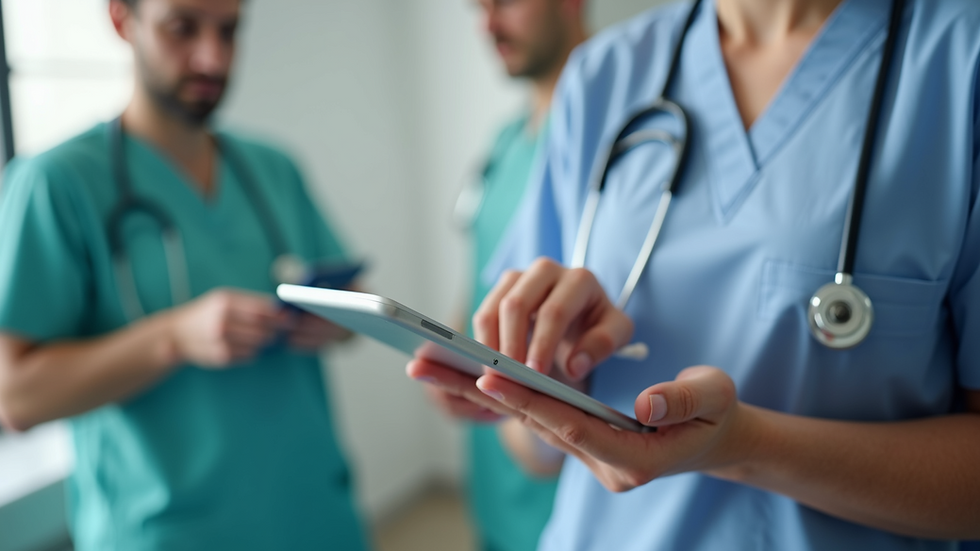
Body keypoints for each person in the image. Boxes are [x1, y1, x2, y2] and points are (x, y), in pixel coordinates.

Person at [409, 0, 980, 549]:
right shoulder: (603, 74)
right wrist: (552, 380)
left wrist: (744, 446)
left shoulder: (960, 57)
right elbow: (529, 452)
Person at [0, 0, 368, 549]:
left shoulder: (273, 168)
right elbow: (17, 398)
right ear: (122, 21)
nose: (212, 58)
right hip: (169, 533)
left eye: (229, 31)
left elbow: (349, 303)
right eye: (182, 29)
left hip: (313, 515)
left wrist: (337, 321)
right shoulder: (56, 184)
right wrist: (171, 337)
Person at [442, 1, 586, 550]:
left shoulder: (622, 137)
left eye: (505, 2)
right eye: (478, 7)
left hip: (563, 465)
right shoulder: (503, 143)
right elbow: (480, 270)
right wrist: (448, 353)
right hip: (494, 465)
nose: (488, 24)